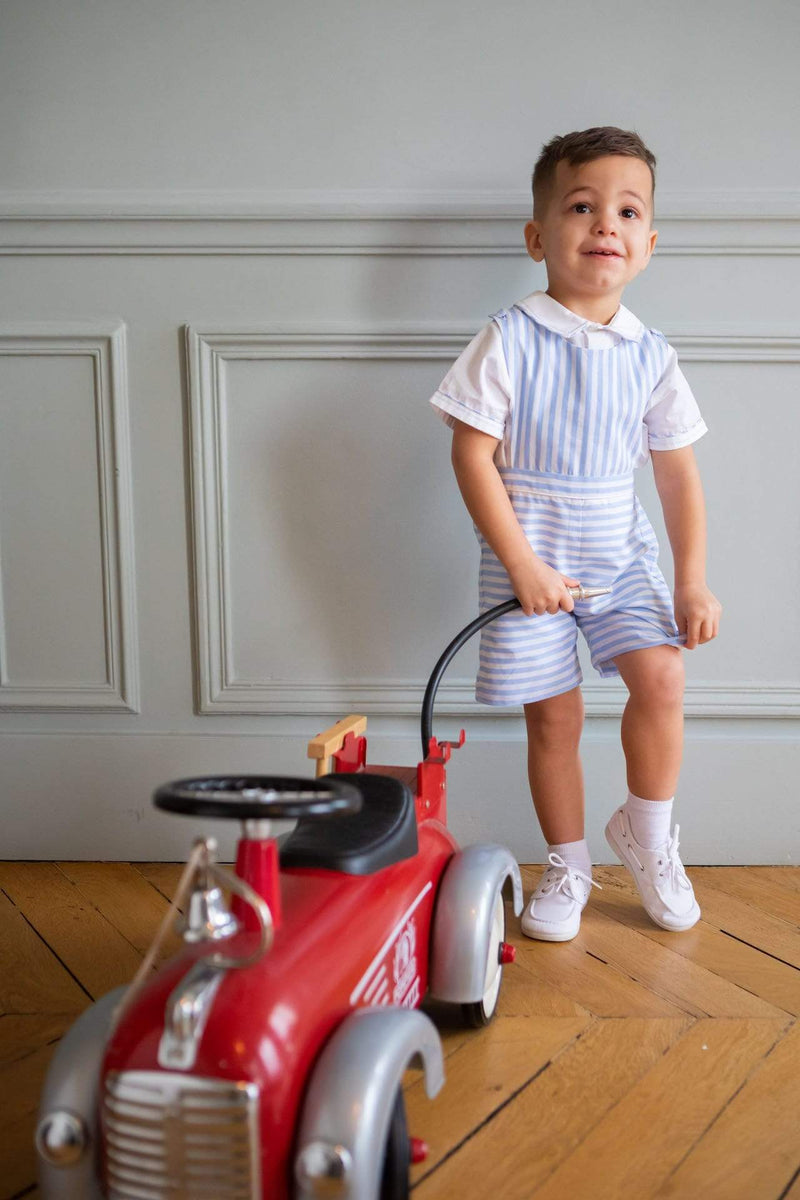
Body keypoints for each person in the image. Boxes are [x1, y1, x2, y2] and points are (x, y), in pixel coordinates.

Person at [429, 126, 722, 941]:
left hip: (620, 563)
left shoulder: (651, 356)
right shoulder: (510, 337)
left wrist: (691, 577)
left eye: (627, 211)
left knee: (661, 679)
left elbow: (677, 476)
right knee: (553, 721)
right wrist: (520, 563)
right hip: (530, 568)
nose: (606, 225)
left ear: (648, 243)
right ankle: (567, 861)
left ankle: (648, 834)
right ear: (538, 236)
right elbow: (470, 453)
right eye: (583, 206)